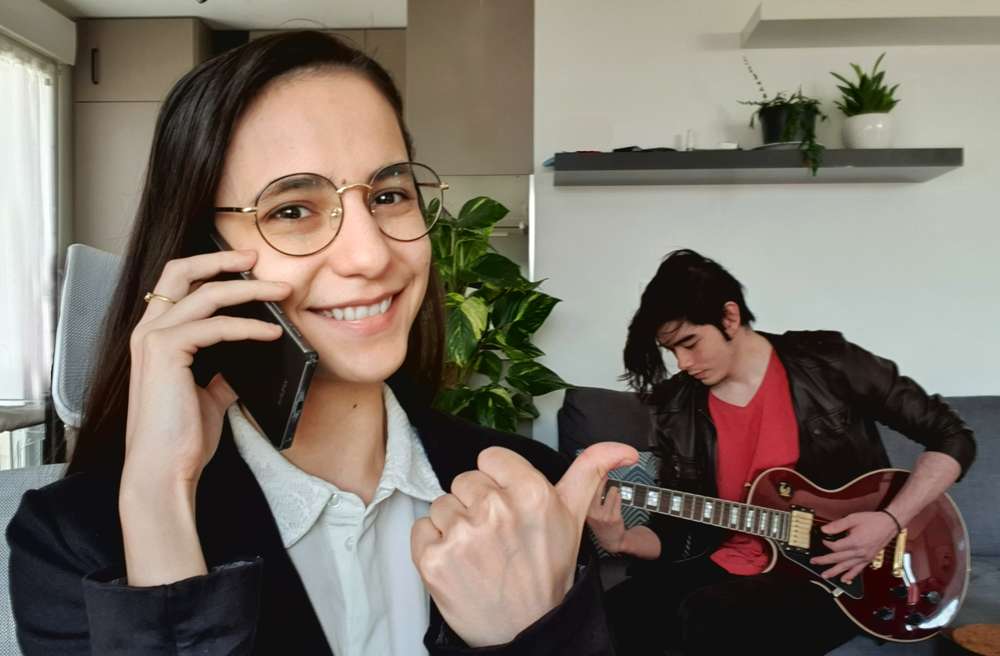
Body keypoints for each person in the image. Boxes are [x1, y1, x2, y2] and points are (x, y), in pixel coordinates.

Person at [6, 32, 635, 655]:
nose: (371, 254)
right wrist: (160, 502)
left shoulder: (525, 500)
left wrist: (533, 632)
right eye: (292, 210)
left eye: (389, 196)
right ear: (205, 252)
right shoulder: (78, 541)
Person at [587, 249, 976, 655]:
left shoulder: (828, 362)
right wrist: (622, 540)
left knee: (710, 618)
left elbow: (953, 437)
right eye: (672, 351)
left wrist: (889, 520)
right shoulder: (675, 408)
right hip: (728, 563)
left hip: (836, 571)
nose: (683, 363)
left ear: (729, 317)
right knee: (616, 610)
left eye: (690, 343)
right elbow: (674, 533)